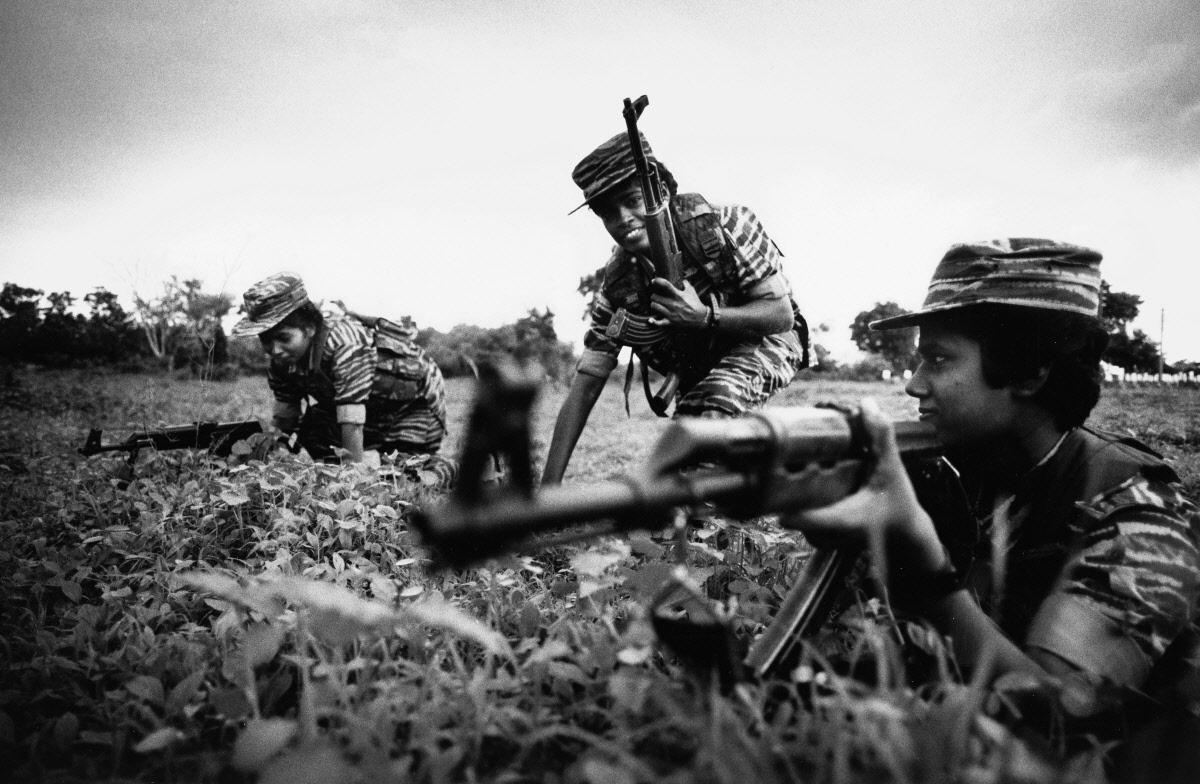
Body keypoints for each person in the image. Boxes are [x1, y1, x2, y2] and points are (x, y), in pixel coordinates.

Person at [785, 239, 1200, 778]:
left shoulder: (1140, 509)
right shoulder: (963, 470)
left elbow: (1058, 723)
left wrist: (923, 563)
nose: (913, 383)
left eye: (939, 359)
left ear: (1029, 372)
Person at [541, 130, 809, 484]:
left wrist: (705, 316)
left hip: (768, 339)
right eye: (607, 213)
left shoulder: (727, 224)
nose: (623, 218)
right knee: (689, 436)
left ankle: (716, 506)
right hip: (699, 364)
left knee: (714, 405)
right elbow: (587, 384)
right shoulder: (619, 283)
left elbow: (780, 315)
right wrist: (548, 488)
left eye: (632, 200)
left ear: (662, 190)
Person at [231, 272, 454, 485]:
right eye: (266, 341)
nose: (275, 350)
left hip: (414, 405)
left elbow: (352, 422)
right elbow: (284, 418)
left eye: (284, 338)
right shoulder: (282, 359)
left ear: (309, 328)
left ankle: (451, 469)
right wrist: (263, 455)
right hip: (374, 408)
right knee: (313, 427)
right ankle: (355, 468)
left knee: (405, 476)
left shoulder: (344, 342)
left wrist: (350, 482)